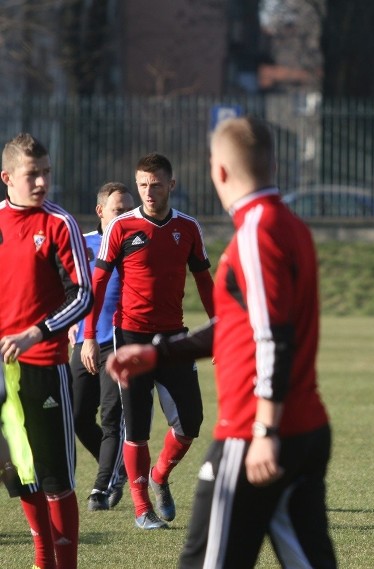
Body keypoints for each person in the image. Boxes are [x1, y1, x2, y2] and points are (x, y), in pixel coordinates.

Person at [106, 116, 337, 567]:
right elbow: (239, 324)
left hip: (254, 433)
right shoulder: (294, 227)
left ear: (221, 171)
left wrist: (265, 430)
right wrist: (158, 352)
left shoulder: (256, 233)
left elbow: (272, 337)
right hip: (306, 429)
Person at [82, 153, 215, 530]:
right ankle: (142, 509)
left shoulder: (187, 228)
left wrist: (221, 328)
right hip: (129, 337)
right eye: (142, 184)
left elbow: (205, 281)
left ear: (171, 185)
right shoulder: (121, 227)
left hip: (174, 339)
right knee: (136, 426)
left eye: (156, 184)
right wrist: (91, 336)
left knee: (191, 422)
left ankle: (159, 476)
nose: (148, 191)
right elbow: (98, 284)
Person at [0, 132, 93, 569]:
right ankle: (42, 559)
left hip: (45, 366)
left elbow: (83, 295)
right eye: (31, 175)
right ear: (7, 178)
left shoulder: (60, 224)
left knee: (56, 478)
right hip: (3, 376)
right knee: (20, 472)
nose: (41, 183)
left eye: (46, 173)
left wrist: (35, 334)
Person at [68, 182, 134, 511]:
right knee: (78, 416)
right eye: (118, 210)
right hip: (84, 343)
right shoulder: (82, 244)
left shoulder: (138, 245)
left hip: (120, 342)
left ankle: (101, 487)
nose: (126, 216)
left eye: (129, 210)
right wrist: (69, 325)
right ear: (100, 212)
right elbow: (68, 288)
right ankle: (117, 468)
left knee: (112, 417)